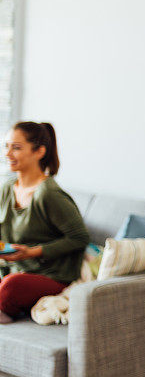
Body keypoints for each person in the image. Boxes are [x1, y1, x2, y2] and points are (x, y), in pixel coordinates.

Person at [0, 122, 90, 323]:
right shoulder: (7, 188)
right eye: (6, 146)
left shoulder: (49, 194)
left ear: (39, 151)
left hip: (50, 275)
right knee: (8, 282)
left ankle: (5, 305)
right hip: (16, 269)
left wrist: (31, 252)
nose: (8, 154)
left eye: (16, 147)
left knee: (9, 287)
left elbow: (79, 238)